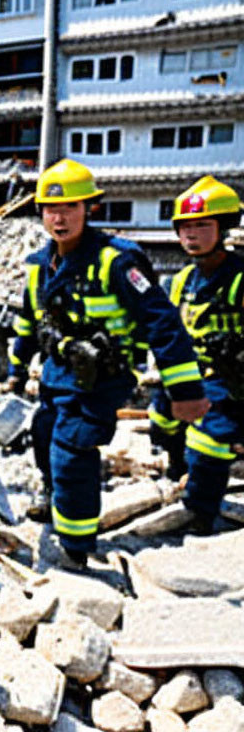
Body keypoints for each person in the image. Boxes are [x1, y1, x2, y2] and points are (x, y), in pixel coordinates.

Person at [7, 159, 208, 566]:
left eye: (70, 209)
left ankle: (77, 546)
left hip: (103, 377)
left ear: (90, 209)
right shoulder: (38, 266)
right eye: (51, 209)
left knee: (72, 451)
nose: (59, 218)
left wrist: (185, 391)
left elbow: (162, 322)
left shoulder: (116, 261)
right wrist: (15, 367)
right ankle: (54, 497)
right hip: (57, 373)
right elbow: (28, 320)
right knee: (44, 434)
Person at [148, 176, 244, 534]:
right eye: (185, 226)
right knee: (162, 418)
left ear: (223, 228)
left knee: (210, 439)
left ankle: (201, 513)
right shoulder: (182, 280)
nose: (192, 234)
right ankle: (176, 466)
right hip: (188, 374)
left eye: (202, 225)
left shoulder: (239, 278)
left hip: (228, 380)